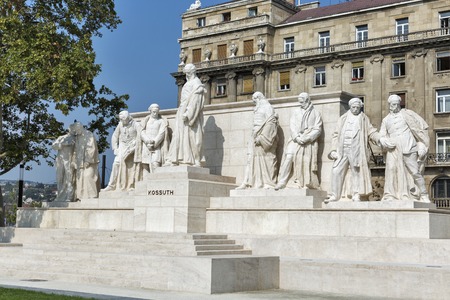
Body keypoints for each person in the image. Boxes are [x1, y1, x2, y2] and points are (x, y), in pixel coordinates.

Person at [378, 94, 430, 202]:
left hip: (409, 147)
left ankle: (423, 194)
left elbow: (421, 130)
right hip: (393, 149)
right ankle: (391, 195)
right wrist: (383, 140)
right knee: (391, 170)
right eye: (393, 104)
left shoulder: (408, 114)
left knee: (415, 172)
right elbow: (381, 135)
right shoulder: (386, 120)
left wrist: (422, 145)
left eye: (397, 104)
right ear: (389, 105)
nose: (395, 107)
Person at [325, 98, 378, 203]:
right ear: (350, 107)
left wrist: (380, 138)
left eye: (358, 107)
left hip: (357, 149)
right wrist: (333, 150)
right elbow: (335, 135)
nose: (355, 109)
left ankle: (356, 194)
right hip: (342, 149)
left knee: (356, 172)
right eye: (353, 107)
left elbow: (371, 131)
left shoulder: (364, 118)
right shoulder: (343, 118)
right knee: (336, 171)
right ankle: (335, 195)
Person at [275, 92, 322, 190]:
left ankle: (304, 182)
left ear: (308, 100)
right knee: (289, 157)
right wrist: (297, 137)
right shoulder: (296, 112)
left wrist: (307, 138)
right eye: (299, 102)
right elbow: (292, 126)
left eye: (302, 102)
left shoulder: (316, 113)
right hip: (295, 139)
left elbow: (318, 129)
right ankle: (282, 181)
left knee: (305, 160)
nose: (301, 104)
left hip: (308, 141)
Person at [165, 63, 206, 167]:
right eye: (185, 73)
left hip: (190, 114)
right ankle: (177, 159)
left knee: (193, 137)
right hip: (182, 111)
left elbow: (196, 100)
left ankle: (194, 160)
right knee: (178, 135)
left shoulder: (196, 83)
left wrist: (188, 113)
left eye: (187, 73)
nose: (186, 75)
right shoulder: (190, 83)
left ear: (191, 72)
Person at [236, 92, 279, 189]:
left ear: (258, 98)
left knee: (267, 159)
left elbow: (271, 122)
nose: (254, 102)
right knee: (250, 159)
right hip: (255, 135)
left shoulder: (267, 107)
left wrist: (263, 137)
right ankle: (248, 182)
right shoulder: (258, 108)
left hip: (263, 137)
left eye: (254, 100)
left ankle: (268, 183)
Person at [102, 111, 141, 192]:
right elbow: (114, 136)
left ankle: (131, 184)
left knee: (131, 166)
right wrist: (115, 148)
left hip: (132, 147)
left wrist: (133, 148)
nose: (122, 121)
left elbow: (140, 137)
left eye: (123, 119)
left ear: (127, 118)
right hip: (122, 147)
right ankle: (111, 185)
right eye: (120, 119)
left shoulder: (136, 124)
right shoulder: (120, 124)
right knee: (116, 163)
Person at [71, 122, 100, 200]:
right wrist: (74, 161)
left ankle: (92, 196)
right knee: (79, 179)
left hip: (89, 162)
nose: (76, 132)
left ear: (80, 127)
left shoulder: (89, 135)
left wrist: (88, 160)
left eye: (77, 130)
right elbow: (75, 150)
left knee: (88, 176)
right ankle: (81, 197)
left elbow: (91, 148)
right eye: (75, 131)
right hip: (79, 162)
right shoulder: (77, 137)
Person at [140, 104, 169, 178]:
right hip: (146, 145)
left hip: (156, 146)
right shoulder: (146, 121)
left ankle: (156, 181)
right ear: (150, 111)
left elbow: (162, 133)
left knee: (155, 163)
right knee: (145, 165)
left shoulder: (161, 121)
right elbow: (141, 131)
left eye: (157, 112)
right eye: (153, 112)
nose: (155, 113)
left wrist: (154, 143)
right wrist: (147, 141)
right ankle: (145, 184)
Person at [52, 125, 76, 202]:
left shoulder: (76, 139)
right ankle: (60, 196)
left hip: (69, 159)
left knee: (69, 178)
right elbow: (54, 145)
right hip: (60, 159)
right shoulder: (61, 137)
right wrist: (62, 144)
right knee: (59, 178)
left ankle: (69, 196)